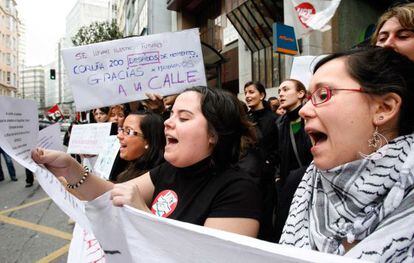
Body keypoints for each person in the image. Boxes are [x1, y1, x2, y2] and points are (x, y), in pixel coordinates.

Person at [32, 86, 262, 237]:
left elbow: (206, 256)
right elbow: (111, 192)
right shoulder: (167, 171)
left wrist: (144, 216)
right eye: (171, 115)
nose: (167, 123)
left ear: (214, 134)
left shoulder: (238, 191)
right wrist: (70, 168)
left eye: (183, 117)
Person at [280, 47, 414, 261]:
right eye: (307, 98)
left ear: (384, 108)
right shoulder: (298, 186)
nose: (304, 111)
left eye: (323, 95)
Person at [273, 79, 313, 242]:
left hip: (309, 180)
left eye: (286, 89)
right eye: (279, 91)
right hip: (287, 184)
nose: (281, 93)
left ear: (300, 93)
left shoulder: (311, 118)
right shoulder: (280, 123)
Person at [244, 81, 279, 241]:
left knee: (265, 217)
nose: (247, 96)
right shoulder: (245, 118)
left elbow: (278, 147)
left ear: (262, 95)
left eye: (251, 92)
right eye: (246, 93)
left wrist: (268, 164)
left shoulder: (274, 119)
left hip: (265, 177)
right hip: (247, 174)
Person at [113, 110, 165, 183]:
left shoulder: (154, 180)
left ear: (148, 140)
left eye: (128, 131)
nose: (119, 136)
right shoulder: (132, 167)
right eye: (121, 129)